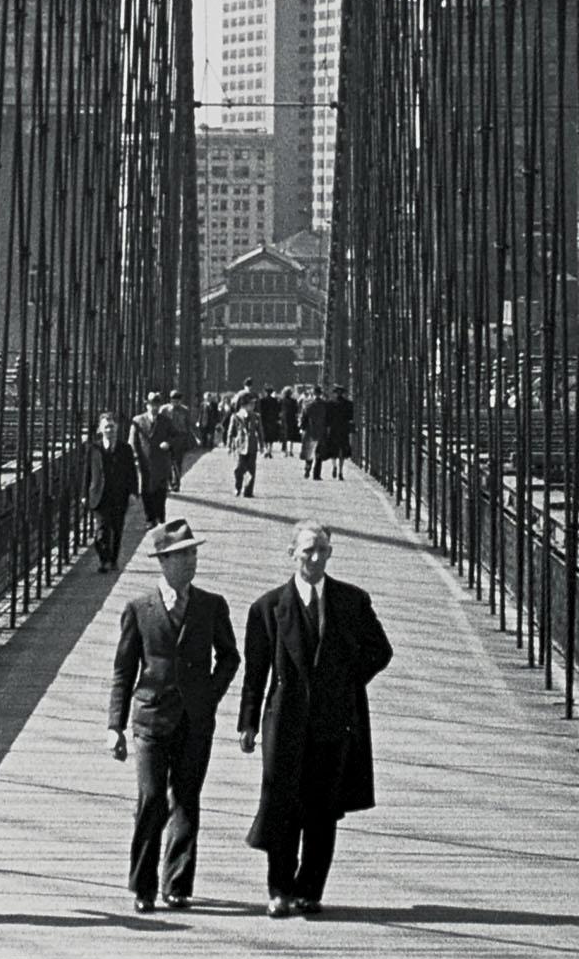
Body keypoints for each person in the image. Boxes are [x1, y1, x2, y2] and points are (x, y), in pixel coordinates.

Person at [237, 517, 392, 917]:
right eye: (308, 550)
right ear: (292, 554)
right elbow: (255, 672)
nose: (316, 558)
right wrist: (249, 723)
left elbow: (380, 650)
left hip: (332, 723)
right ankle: (279, 889)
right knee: (281, 806)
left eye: (322, 550)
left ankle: (310, 889)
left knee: (323, 810)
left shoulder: (351, 601)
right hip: (284, 722)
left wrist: (346, 680)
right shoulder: (269, 608)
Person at [108, 515, 239, 912]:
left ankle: (177, 884)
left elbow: (231, 657)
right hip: (149, 718)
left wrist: (209, 696)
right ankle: (143, 885)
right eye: (182, 555)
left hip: (195, 719)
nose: (191, 561)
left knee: (186, 799)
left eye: (194, 554)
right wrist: (114, 725)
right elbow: (123, 669)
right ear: (162, 561)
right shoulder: (139, 609)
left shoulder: (211, 606)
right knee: (151, 799)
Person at [89, 409, 140, 568]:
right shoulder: (94, 449)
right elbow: (87, 472)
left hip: (119, 494)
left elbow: (132, 472)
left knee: (117, 528)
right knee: (101, 529)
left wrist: (133, 492)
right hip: (100, 494)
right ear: (100, 429)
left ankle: (113, 560)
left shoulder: (125, 449)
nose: (109, 430)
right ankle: (104, 559)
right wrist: (85, 493)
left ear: (116, 428)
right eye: (106, 427)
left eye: (112, 426)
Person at [132, 395, 177, 529]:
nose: (154, 408)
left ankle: (160, 517)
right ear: (147, 406)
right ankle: (149, 518)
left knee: (160, 490)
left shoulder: (166, 421)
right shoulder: (138, 421)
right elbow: (133, 441)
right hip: (144, 462)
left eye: (157, 405)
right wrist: (135, 457)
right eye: (152, 405)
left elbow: (175, 437)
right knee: (146, 490)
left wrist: (168, 443)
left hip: (161, 462)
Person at [230, 391, 261, 498]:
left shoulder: (256, 417)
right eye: (251, 404)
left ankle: (248, 491)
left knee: (251, 469)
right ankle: (238, 487)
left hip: (252, 446)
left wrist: (262, 445)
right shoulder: (236, 417)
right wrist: (230, 446)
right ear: (244, 405)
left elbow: (260, 431)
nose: (253, 407)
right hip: (240, 446)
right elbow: (231, 432)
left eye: (254, 405)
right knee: (238, 469)